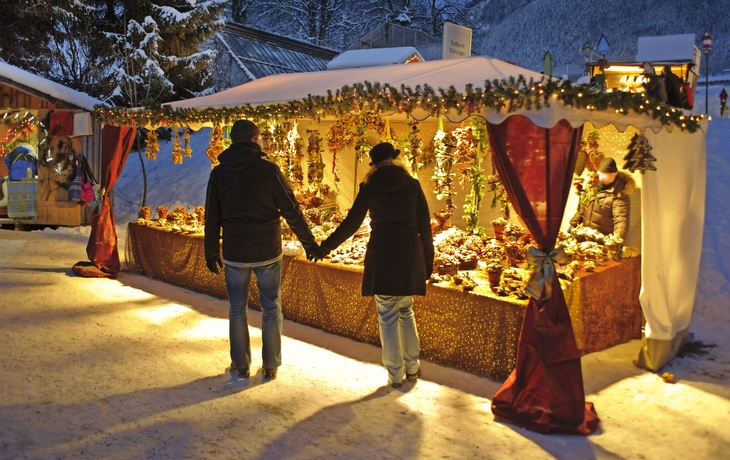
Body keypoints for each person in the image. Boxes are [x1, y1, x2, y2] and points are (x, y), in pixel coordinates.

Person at [204, 119, 324, 381]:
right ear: (255, 139)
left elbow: (212, 215)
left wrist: (211, 250)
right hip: (267, 250)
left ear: (233, 141)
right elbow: (291, 209)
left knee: (237, 309)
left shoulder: (219, 173)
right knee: (271, 308)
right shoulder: (268, 170)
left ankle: (240, 365)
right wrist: (308, 242)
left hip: (236, 251)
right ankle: (271, 364)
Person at [319, 143, 434, 388]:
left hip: (382, 254)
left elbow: (350, 225)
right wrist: (428, 261)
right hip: (409, 254)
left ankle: (395, 375)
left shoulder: (370, 187)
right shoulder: (412, 184)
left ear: (374, 165)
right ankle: (412, 368)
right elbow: (425, 226)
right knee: (406, 311)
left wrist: (324, 248)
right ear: (395, 160)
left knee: (388, 317)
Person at [570, 158, 635, 242]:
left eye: (607, 174)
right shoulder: (591, 187)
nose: (602, 177)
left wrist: (615, 243)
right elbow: (581, 208)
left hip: (601, 242)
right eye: (601, 173)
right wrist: (572, 226)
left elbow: (621, 222)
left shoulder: (619, 195)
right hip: (584, 237)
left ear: (615, 173)